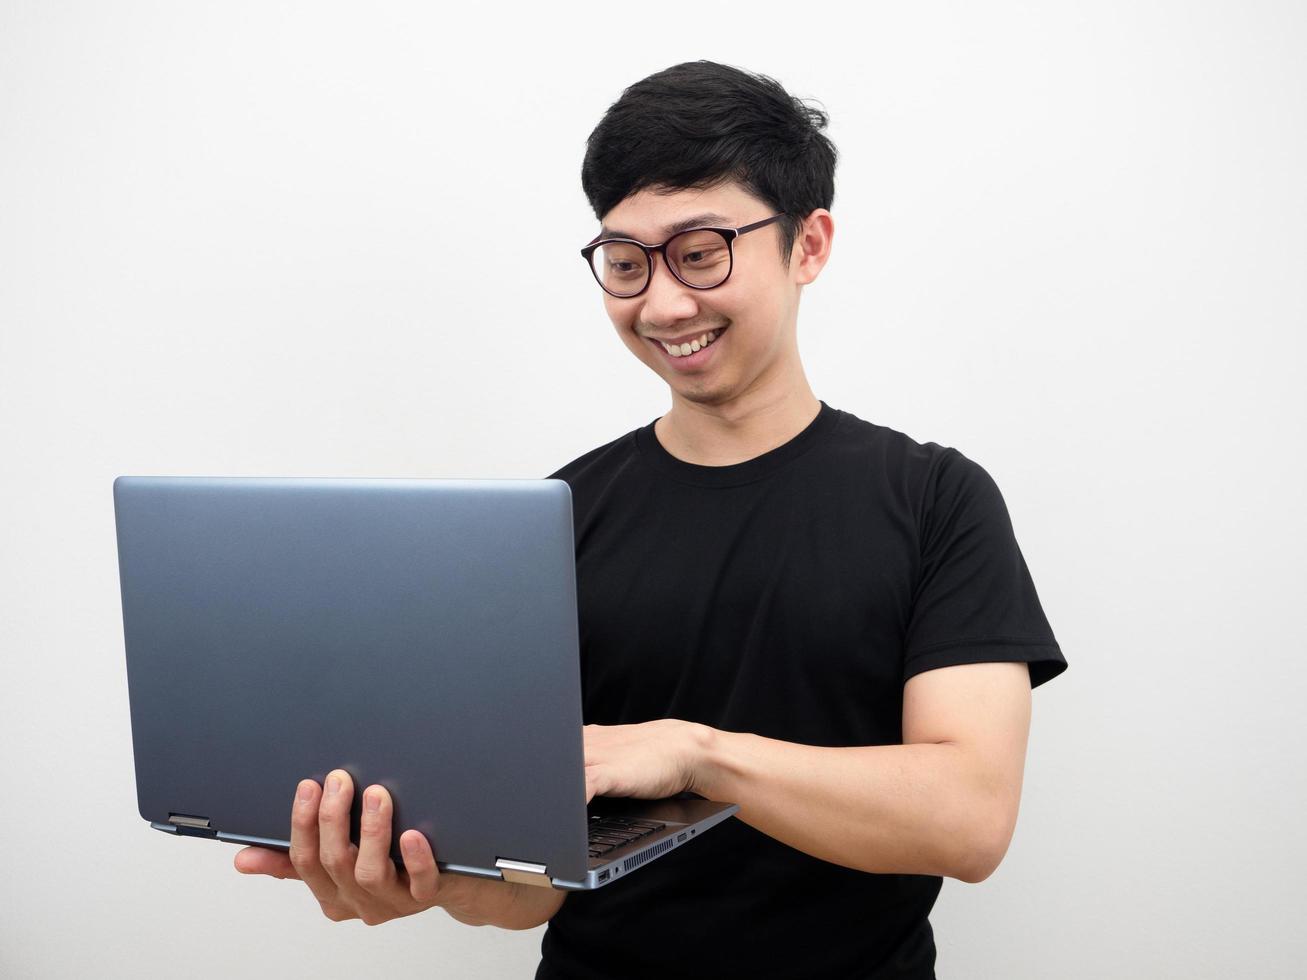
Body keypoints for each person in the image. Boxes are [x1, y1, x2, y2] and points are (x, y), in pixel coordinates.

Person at [234, 60, 1067, 979]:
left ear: (808, 244)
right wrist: (430, 880)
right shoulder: (554, 523)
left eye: (700, 252)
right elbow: (537, 889)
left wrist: (695, 755)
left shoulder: (936, 500)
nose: (662, 304)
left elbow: (968, 817)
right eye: (625, 263)